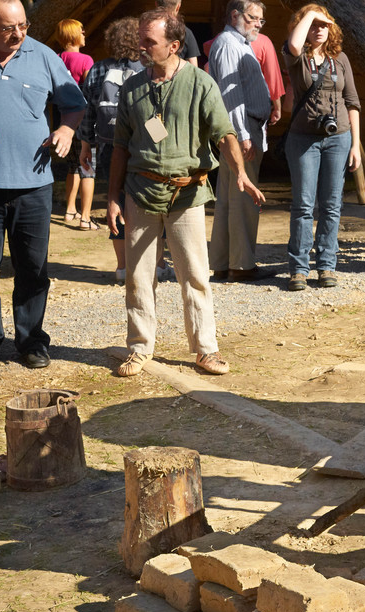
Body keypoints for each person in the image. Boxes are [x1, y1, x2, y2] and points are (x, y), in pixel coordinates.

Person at [108, 9, 264, 378]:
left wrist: (240, 173)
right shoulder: (133, 88)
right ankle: (139, 348)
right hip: (140, 191)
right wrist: (113, 196)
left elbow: (224, 133)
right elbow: (119, 148)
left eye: (150, 41)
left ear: (174, 45)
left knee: (194, 275)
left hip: (187, 194)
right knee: (138, 276)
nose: (141, 47)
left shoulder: (200, 83)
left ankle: (205, 350)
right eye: (141, 39)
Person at [0, 0, 87, 371]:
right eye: (8, 28)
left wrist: (67, 129)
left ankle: (32, 341)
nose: (18, 34)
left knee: (33, 268)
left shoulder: (43, 55)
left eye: (22, 25)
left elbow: (74, 103)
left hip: (34, 183)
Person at [282, 4, 362, 292]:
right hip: (303, 140)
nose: (318, 29)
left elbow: (352, 102)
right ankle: (298, 269)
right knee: (303, 206)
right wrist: (312, 15)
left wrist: (355, 144)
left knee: (331, 206)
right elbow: (293, 42)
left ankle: (327, 265)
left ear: (332, 29)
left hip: (338, 138)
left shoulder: (340, 59)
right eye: (313, 25)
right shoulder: (297, 57)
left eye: (324, 25)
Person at [78, 16, 151, 283]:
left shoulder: (98, 70)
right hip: (143, 148)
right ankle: (154, 263)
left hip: (109, 147)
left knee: (116, 203)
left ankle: (122, 267)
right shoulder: (148, 68)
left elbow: (88, 112)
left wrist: (87, 145)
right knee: (151, 202)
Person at [209, 0, 273, 283]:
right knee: (243, 199)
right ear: (235, 15)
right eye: (253, 18)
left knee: (229, 199)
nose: (258, 24)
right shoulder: (227, 44)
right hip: (242, 130)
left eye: (261, 20)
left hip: (246, 129)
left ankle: (225, 264)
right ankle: (242, 266)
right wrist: (243, 135)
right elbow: (230, 96)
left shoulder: (241, 43)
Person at [55, 18, 97, 230]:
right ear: (73, 35)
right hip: (83, 118)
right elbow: (89, 90)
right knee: (88, 166)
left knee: (72, 165)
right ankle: (86, 217)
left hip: (63, 118)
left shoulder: (57, 58)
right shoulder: (86, 60)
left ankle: (70, 210)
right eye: (81, 31)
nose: (84, 34)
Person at [157, 0, 200, 67]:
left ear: (156, 4)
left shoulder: (147, 29)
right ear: (178, 6)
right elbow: (193, 67)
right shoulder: (186, 32)